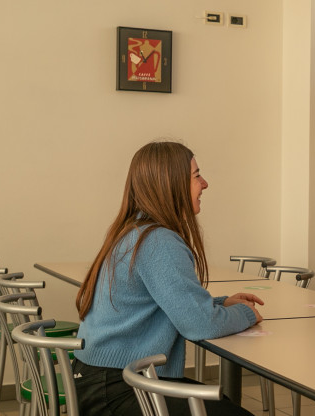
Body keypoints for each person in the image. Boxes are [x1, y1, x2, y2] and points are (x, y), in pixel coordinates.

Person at [73, 141, 263, 416]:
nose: (205, 184)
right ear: (170, 184)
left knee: (225, 406)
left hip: (101, 379)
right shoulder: (158, 241)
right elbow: (199, 325)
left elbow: (163, 303)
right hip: (116, 387)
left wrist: (223, 303)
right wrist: (246, 314)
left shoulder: (135, 231)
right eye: (197, 176)